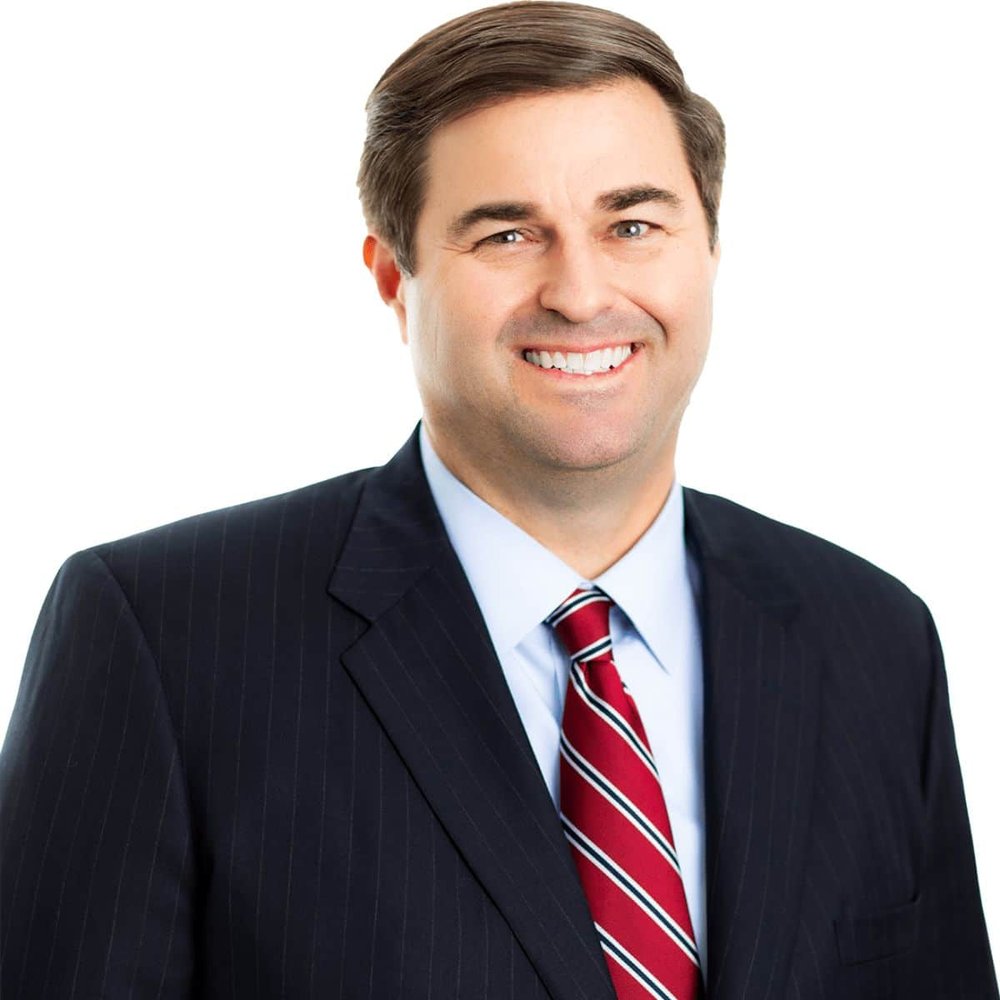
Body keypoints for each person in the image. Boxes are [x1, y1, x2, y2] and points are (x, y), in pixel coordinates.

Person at [1, 1, 996, 997]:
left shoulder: (874, 639)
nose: (580, 292)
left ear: (709, 251)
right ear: (393, 279)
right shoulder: (161, 638)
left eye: (633, 224)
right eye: (509, 234)